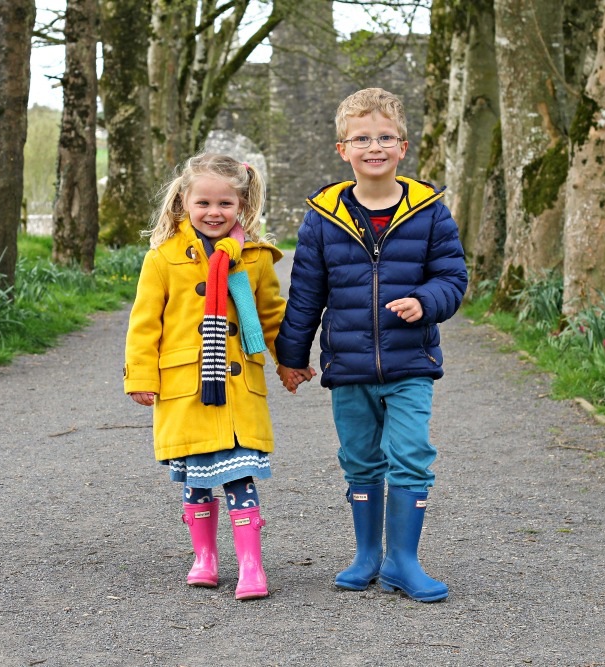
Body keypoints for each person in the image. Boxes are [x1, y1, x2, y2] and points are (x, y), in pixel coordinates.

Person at [275, 88, 467, 603]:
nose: (374, 146)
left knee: (410, 454)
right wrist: (292, 358)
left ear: (403, 147)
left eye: (385, 137)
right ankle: (367, 553)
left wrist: (426, 301)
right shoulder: (323, 218)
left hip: (411, 363)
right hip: (350, 366)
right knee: (359, 459)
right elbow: (306, 294)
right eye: (362, 138)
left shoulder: (430, 214)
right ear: (343, 149)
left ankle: (404, 560)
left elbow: (452, 277)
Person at [124, 153, 287, 600]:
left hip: (237, 388)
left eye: (225, 204)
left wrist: (288, 361)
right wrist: (142, 375)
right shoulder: (163, 258)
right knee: (197, 478)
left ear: (242, 205)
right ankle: (205, 558)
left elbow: (272, 316)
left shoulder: (253, 258)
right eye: (204, 203)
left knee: (239, 476)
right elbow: (145, 323)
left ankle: (251, 566)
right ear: (184, 202)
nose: (214, 213)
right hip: (187, 388)